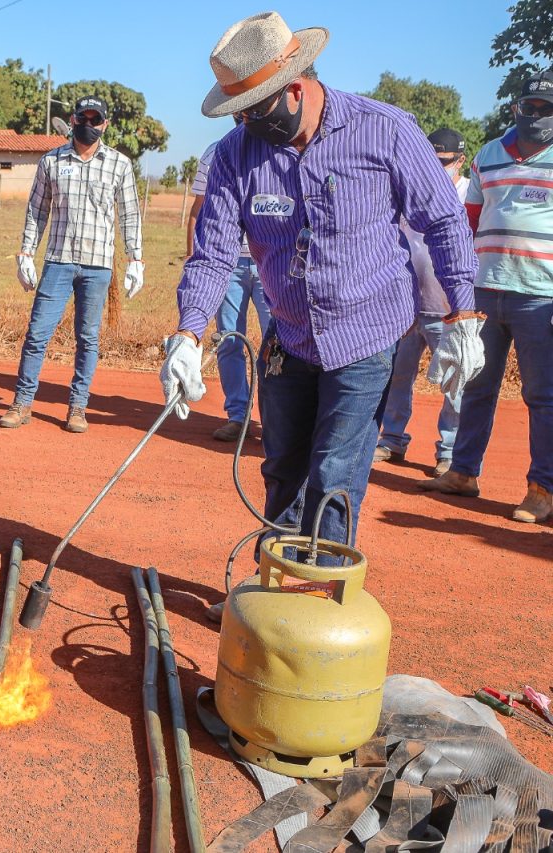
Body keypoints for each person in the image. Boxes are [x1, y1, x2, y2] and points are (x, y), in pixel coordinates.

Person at [161, 11, 482, 561]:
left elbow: (445, 221)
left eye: (255, 110)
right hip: (288, 336)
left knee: (334, 473)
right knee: (283, 466)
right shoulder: (235, 156)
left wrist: (462, 312)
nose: (245, 125)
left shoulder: (385, 130)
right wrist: (188, 333)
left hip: (365, 337)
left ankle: (317, 602)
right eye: (237, 113)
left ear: (295, 87)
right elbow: (213, 253)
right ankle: (273, 591)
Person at [419, 71, 553, 523]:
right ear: (518, 106)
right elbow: (466, 222)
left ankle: (542, 489)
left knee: (543, 396)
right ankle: (462, 472)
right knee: (475, 385)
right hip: (484, 290)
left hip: (541, 296)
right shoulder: (489, 154)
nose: (534, 115)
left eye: (544, 109)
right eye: (528, 106)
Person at [0, 95, 144, 433]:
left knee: (87, 338)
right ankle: (22, 403)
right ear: (73, 120)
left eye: (96, 120)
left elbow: (131, 215)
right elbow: (37, 210)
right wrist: (25, 253)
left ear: (105, 124)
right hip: (58, 262)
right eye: (83, 119)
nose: (89, 125)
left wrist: (135, 258)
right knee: (37, 334)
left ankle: (78, 407)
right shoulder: (51, 161)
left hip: (98, 267)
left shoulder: (120, 164)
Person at [374, 127, 471, 477]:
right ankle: (393, 439)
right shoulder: (411, 190)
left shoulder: (466, 195)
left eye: (444, 161)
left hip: (447, 308)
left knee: (453, 383)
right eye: (431, 160)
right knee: (397, 377)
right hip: (406, 305)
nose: (436, 167)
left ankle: (448, 452)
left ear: (461, 161)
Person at [187, 126, 270, 441]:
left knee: (277, 345)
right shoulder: (216, 151)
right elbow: (198, 210)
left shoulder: (280, 150)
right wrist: (193, 257)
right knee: (229, 341)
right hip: (228, 263)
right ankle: (238, 415)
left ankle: (275, 418)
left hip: (270, 264)